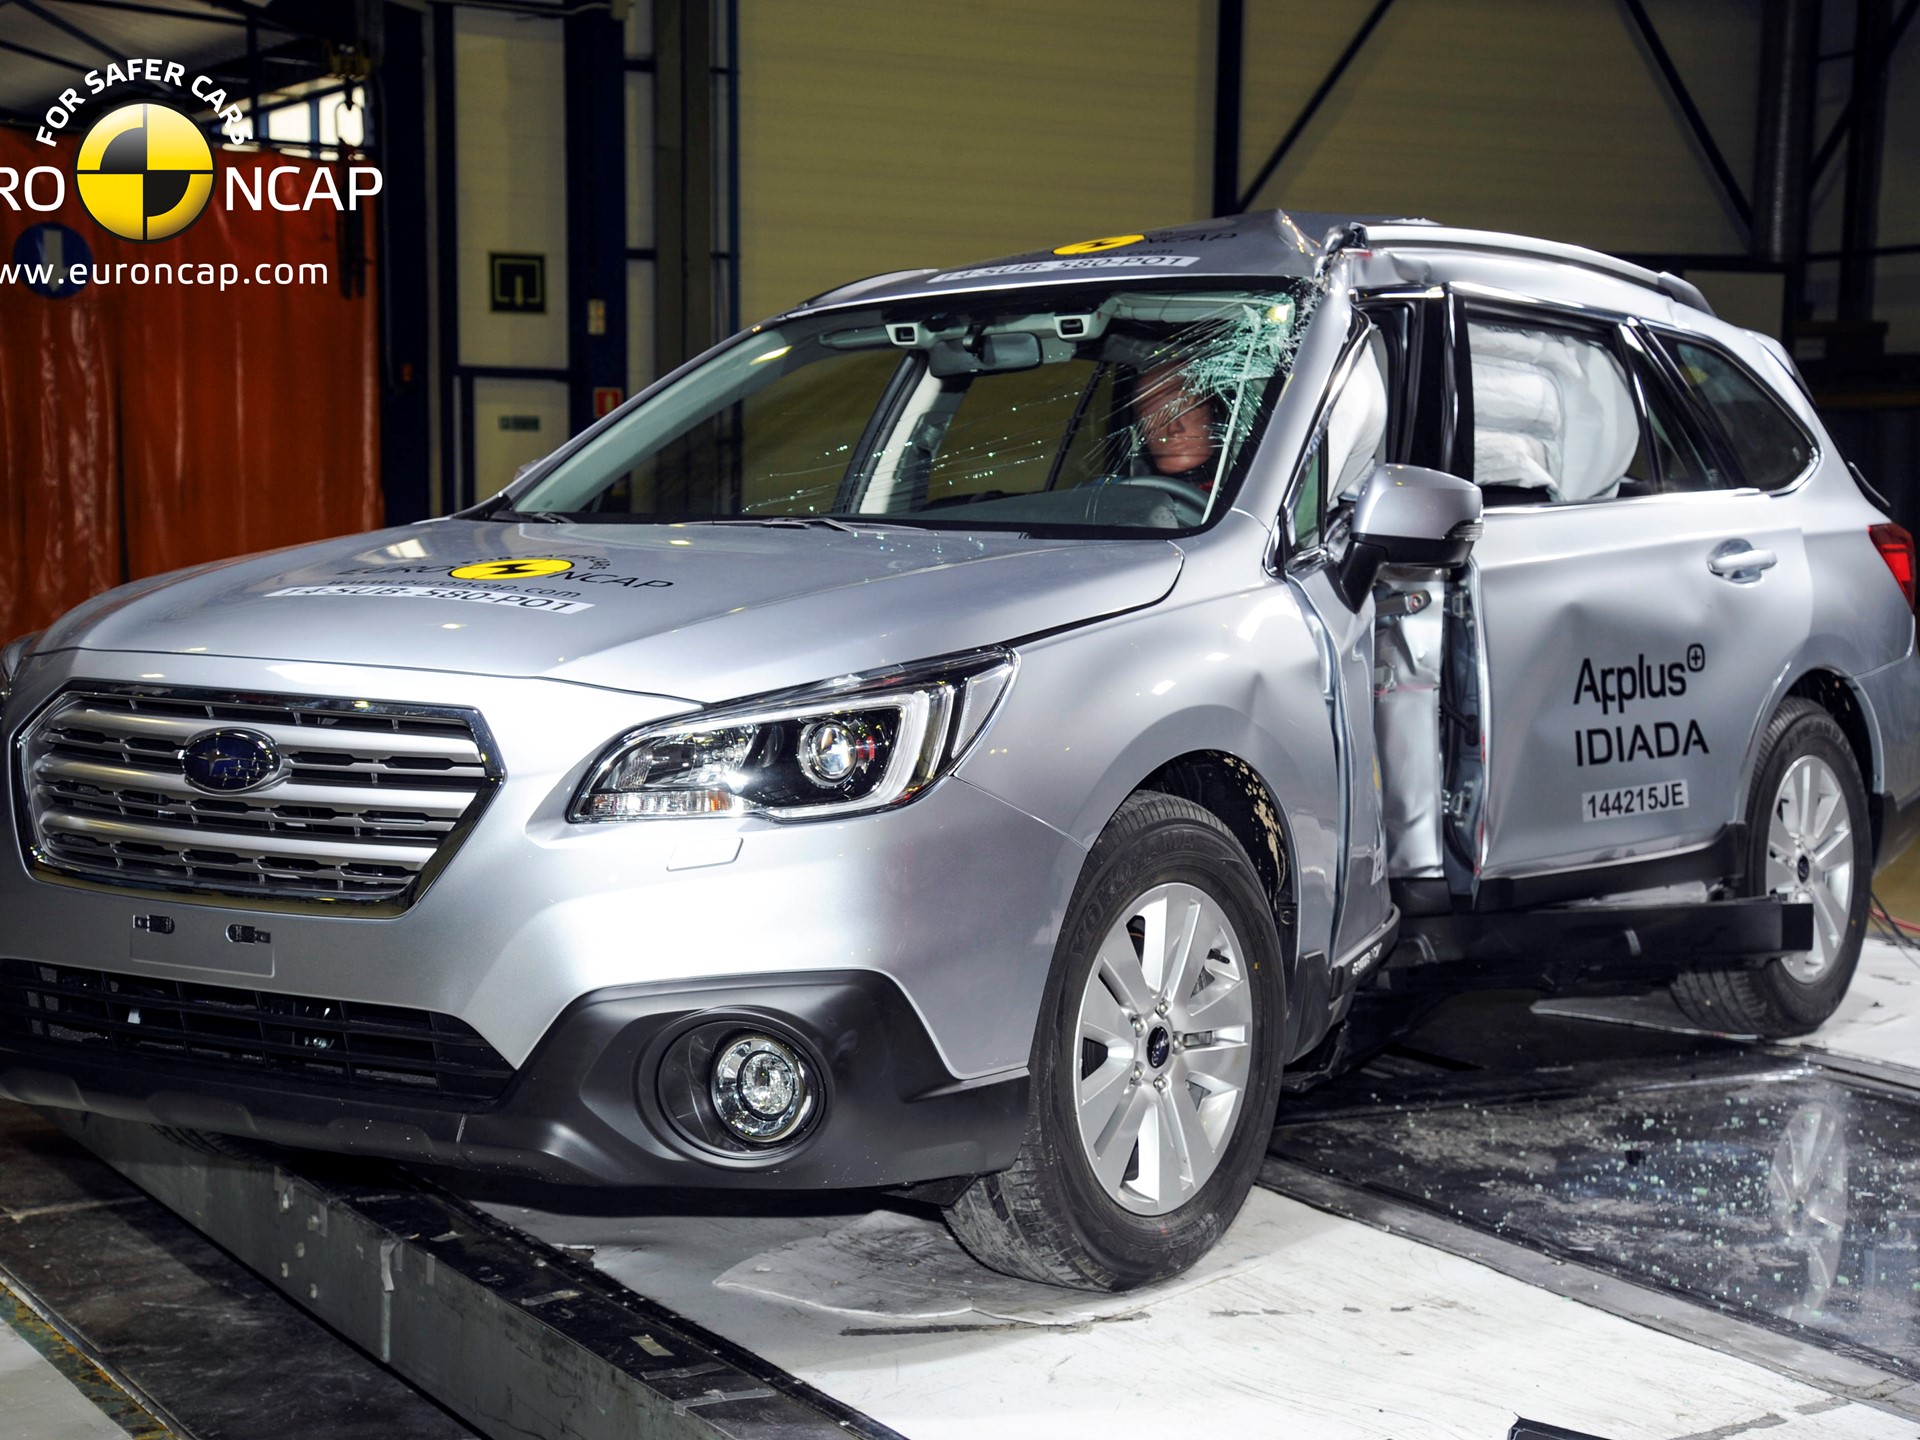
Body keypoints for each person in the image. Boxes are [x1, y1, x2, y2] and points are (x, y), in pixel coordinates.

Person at [1129, 358, 1220, 484]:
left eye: (1185, 409)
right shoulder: (1113, 495)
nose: (1174, 430)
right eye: (1153, 415)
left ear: (1213, 410)